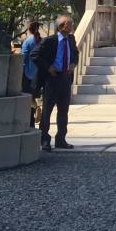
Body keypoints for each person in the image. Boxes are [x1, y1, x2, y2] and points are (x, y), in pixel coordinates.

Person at [35, 15, 78, 151]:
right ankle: (44, 139)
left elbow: (75, 53)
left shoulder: (71, 39)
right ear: (61, 27)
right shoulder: (50, 41)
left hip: (65, 77)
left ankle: (61, 139)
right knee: (47, 110)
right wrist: (48, 67)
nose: (71, 26)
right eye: (69, 24)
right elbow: (34, 55)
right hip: (52, 78)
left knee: (63, 110)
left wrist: (73, 63)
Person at [20, 21, 43, 126]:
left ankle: (30, 122)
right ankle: (37, 108)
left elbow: (23, 57)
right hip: (38, 74)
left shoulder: (27, 41)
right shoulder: (41, 41)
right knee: (34, 96)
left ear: (29, 29)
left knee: (28, 98)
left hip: (27, 74)